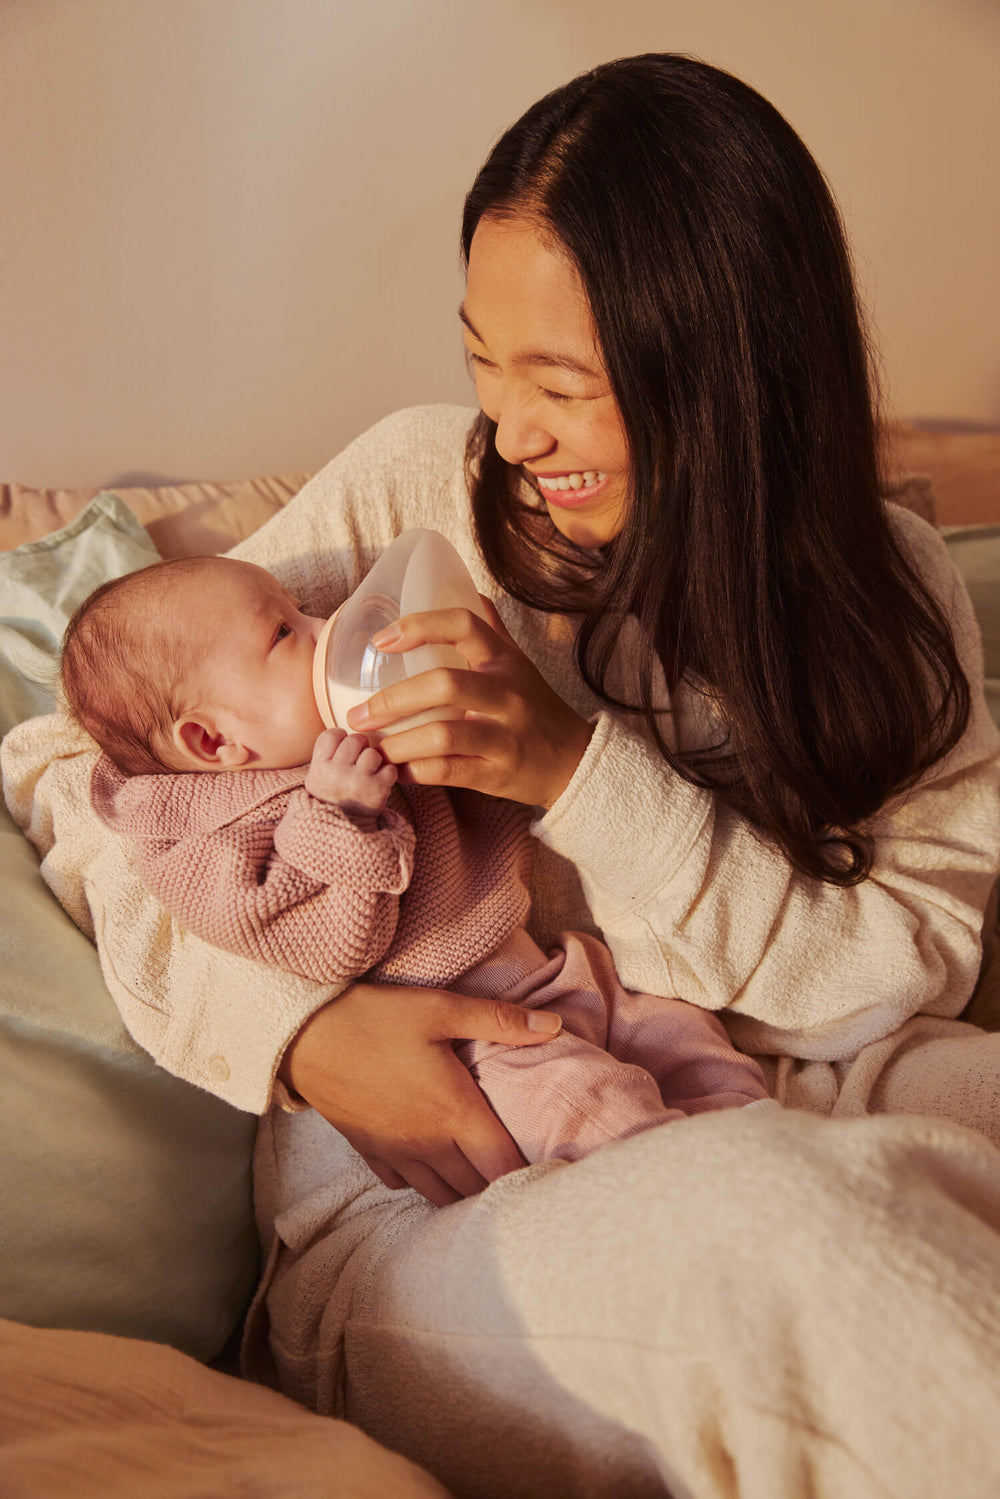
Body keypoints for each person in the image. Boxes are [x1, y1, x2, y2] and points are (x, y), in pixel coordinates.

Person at [6, 51, 1000, 1496]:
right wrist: (299, 1028)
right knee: (793, 1231)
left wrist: (575, 772)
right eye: (484, 360)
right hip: (449, 1182)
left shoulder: (887, 585)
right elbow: (75, 757)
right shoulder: (421, 492)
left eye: (562, 382)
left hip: (783, 1079)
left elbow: (909, 960)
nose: (511, 430)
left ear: (731, 374)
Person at [59, 552, 769, 1167]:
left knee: (683, 1034)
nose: (325, 624)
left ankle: (763, 1148)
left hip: (552, 971)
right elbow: (323, 946)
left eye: (301, 609)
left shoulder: (327, 735)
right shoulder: (204, 845)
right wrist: (342, 815)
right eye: (286, 632)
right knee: (592, 1107)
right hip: (468, 1037)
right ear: (213, 743)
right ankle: (684, 1193)